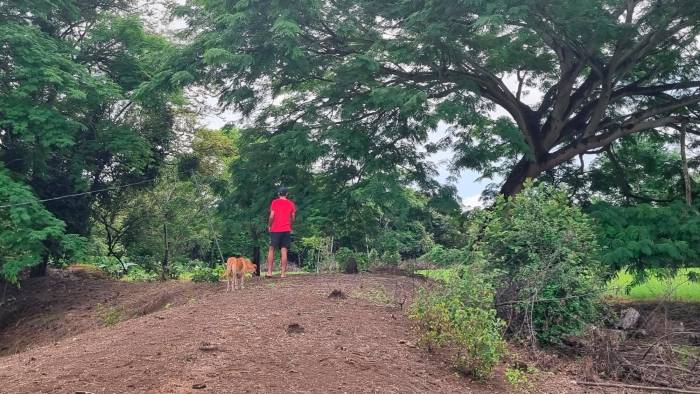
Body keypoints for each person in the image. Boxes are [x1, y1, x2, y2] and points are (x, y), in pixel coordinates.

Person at [267, 186, 296, 278]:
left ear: (278, 194)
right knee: (284, 250)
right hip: (286, 230)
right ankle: (283, 273)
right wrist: (290, 226)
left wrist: (269, 225)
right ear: (287, 194)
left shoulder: (274, 202)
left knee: (271, 249)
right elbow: (293, 217)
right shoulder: (291, 204)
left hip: (275, 229)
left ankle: (269, 272)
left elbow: (271, 216)